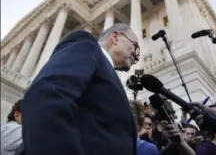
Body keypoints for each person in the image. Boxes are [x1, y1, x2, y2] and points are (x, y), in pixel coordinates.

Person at [22, 24, 139, 155]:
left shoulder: (109, 75)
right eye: (135, 46)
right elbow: (46, 97)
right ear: (115, 37)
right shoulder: (87, 46)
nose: (137, 56)